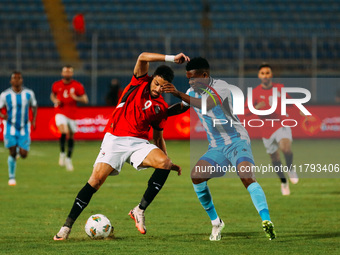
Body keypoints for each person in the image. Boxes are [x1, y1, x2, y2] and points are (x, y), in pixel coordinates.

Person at [53, 52, 189, 241]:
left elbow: (158, 138)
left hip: (138, 143)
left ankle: (139, 210)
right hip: (115, 139)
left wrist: (168, 161)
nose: (158, 88)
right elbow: (142, 56)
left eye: (162, 86)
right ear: (152, 79)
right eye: (156, 83)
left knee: (164, 163)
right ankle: (66, 227)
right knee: (95, 182)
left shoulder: (160, 107)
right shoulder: (139, 81)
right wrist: (171, 58)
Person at [164, 57, 276, 241]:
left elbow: (207, 105)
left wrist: (177, 93)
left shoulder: (221, 87)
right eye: (188, 79)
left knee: (247, 177)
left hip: (237, 141)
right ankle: (216, 222)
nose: (190, 82)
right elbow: (183, 106)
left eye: (193, 78)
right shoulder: (191, 91)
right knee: (196, 176)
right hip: (216, 147)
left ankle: (266, 221)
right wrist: (161, 112)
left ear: (205, 75)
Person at [244, 63, 299, 196]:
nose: (265, 76)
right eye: (263, 73)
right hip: (266, 129)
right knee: (275, 159)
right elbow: (245, 111)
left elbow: (291, 102)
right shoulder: (255, 92)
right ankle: (284, 182)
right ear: (259, 76)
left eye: (267, 73)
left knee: (286, 148)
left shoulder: (280, 88)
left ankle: (290, 168)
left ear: (271, 75)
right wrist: (256, 107)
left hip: (281, 123)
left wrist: (305, 115)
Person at [0, 71, 37, 186]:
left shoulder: (28, 93)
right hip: (10, 126)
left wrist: (34, 120)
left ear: (22, 80)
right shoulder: (5, 95)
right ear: (11, 81)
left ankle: (18, 151)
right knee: (11, 151)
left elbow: (34, 106)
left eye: (19, 78)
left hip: (24, 127)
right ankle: (12, 177)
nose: (17, 80)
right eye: (14, 78)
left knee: (24, 154)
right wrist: (2, 115)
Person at [50, 65, 89, 171]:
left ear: (72, 74)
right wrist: (55, 101)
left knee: (71, 136)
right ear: (62, 73)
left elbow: (85, 100)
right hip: (60, 112)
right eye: (65, 72)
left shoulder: (77, 86)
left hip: (72, 114)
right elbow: (52, 95)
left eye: (69, 72)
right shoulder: (56, 85)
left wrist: (75, 98)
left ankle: (68, 158)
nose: (67, 74)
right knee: (64, 131)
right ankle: (62, 153)